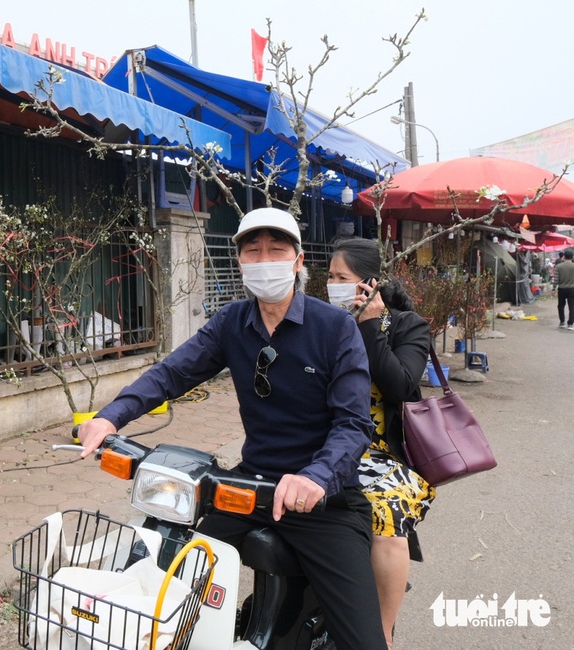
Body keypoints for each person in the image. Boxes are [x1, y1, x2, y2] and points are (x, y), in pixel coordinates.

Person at [77, 207, 387, 650]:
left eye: (276, 251)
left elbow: (353, 424)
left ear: (298, 261)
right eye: (253, 252)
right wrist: (110, 417)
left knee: (364, 642)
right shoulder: (231, 323)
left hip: (324, 501)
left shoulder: (335, 328)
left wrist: (316, 478)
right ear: (239, 262)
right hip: (248, 487)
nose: (264, 261)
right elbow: (171, 373)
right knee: (159, 580)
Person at [327, 239, 435, 649]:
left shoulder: (407, 326)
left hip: (381, 455)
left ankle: (382, 635)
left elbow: (403, 387)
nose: (332, 286)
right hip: (326, 446)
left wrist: (370, 326)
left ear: (369, 284)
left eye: (342, 279)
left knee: (387, 522)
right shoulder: (324, 323)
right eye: (330, 278)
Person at [551, 249, 574, 329]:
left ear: (564, 257)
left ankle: (562, 322)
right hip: (572, 289)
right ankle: (570, 324)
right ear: (572, 257)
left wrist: (554, 289)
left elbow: (556, 279)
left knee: (561, 306)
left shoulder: (558, 266)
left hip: (562, 289)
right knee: (572, 307)